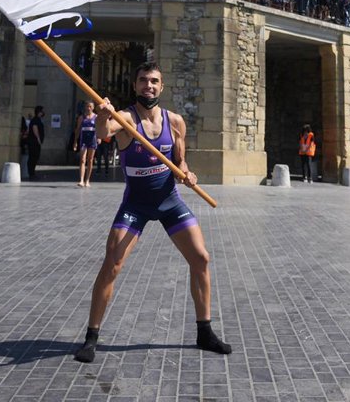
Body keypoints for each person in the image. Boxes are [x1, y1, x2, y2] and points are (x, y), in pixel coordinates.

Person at [73, 62, 230, 363]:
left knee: (201, 258)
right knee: (112, 263)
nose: (149, 86)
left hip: (169, 201)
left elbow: (180, 161)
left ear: (162, 86)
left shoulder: (175, 122)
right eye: (143, 80)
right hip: (136, 205)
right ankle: (91, 337)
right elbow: (104, 132)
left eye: (154, 81)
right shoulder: (125, 118)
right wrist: (104, 114)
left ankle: (204, 332)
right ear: (135, 85)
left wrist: (187, 173)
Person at [73, 101, 98, 187]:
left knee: (90, 160)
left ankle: (87, 180)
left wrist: (99, 138)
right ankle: (81, 180)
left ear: (93, 108)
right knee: (82, 159)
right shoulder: (82, 117)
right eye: (87, 106)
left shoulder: (96, 117)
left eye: (90, 106)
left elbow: (99, 128)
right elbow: (77, 129)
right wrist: (75, 141)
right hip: (83, 139)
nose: (88, 108)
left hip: (92, 139)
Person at [22, 105, 45, 179]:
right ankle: (31, 173)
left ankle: (32, 173)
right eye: (42, 111)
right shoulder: (35, 120)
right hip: (34, 142)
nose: (43, 113)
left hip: (35, 142)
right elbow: (35, 129)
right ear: (39, 112)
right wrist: (38, 139)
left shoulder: (38, 120)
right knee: (33, 157)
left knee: (35, 157)